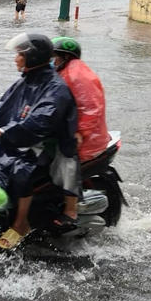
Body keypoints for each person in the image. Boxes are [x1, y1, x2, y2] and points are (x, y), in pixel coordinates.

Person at [0, 33, 78, 250]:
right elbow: (1, 107)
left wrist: (2, 131)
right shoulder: (26, 79)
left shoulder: (55, 87)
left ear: (32, 58)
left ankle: (21, 223)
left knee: (20, 169)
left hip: (46, 143)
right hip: (19, 135)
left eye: (20, 55)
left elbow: (41, 120)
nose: (16, 59)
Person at [50, 37, 110, 226]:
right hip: (67, 129)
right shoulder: (62, 72)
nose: (53, 60)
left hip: (85, 138)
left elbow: (91, 107)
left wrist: (80, 133)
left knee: (65, 159)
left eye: (55, 57)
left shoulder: (77, 74)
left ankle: (71, 210)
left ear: (65, 56)